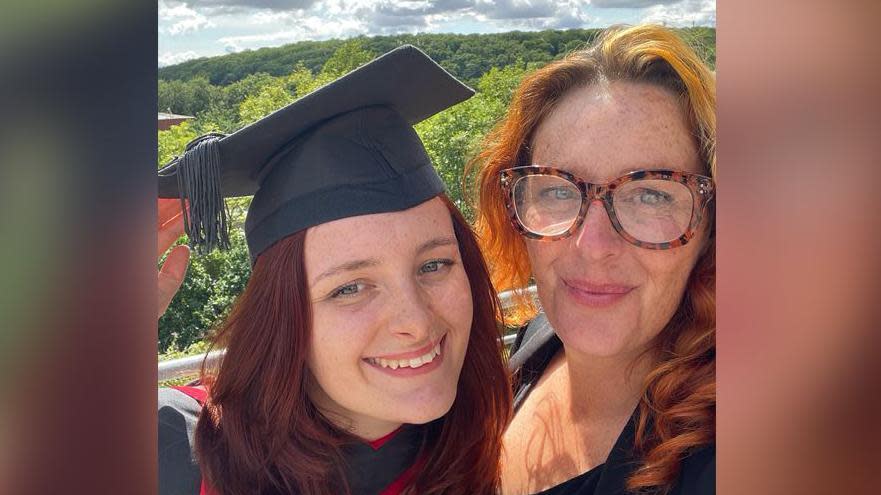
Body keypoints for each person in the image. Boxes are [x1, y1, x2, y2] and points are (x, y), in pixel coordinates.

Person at [157, 46, 512, 495]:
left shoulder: (487, 451)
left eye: (434, 264)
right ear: (283, 316)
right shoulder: (175, 452)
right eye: (350, 288)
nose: (416, 321)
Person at [470, 25, 716, 494]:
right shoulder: (537, 342)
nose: (593, 244)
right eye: (559, 189)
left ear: (712, 226)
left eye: (650, 195)